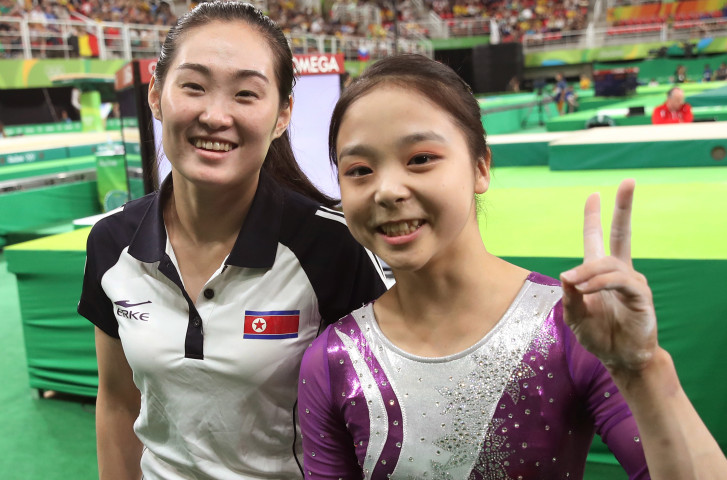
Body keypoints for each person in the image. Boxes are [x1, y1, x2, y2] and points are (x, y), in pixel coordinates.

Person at [298, 54, 727, 479]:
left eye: (420, 159)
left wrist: (643, 370)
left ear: (481, 166)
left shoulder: (571, 327)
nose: (387, 190)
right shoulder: (332, 360)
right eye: (359, 170)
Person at [77, 2, 387, 479]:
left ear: (282, 115)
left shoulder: (333, 247)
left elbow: (377, 419)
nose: (215, 115)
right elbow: (118, 403)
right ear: (157, 96)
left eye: (246, 94)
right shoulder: (110, 243)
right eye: (194, 87)